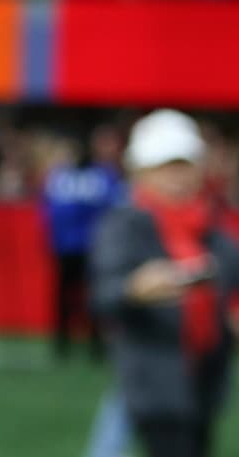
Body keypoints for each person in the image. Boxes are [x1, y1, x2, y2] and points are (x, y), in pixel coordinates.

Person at [91, 109, 239, 457]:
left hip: (205, 376)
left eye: (184, 165)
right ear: (141, 172)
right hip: (155, 381)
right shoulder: (125, 225)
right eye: (166, 167)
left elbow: (230, 280)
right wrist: (135, 288)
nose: (177, 177)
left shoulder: (213, 226)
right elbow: (103, 295)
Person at [41, 125, 124, 361]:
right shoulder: (92, 175)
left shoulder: (73, 176)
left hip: (83, 246)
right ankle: (69, 342)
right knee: (70, 296)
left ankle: (84, 343)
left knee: (86, 297)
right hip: (75, 246)